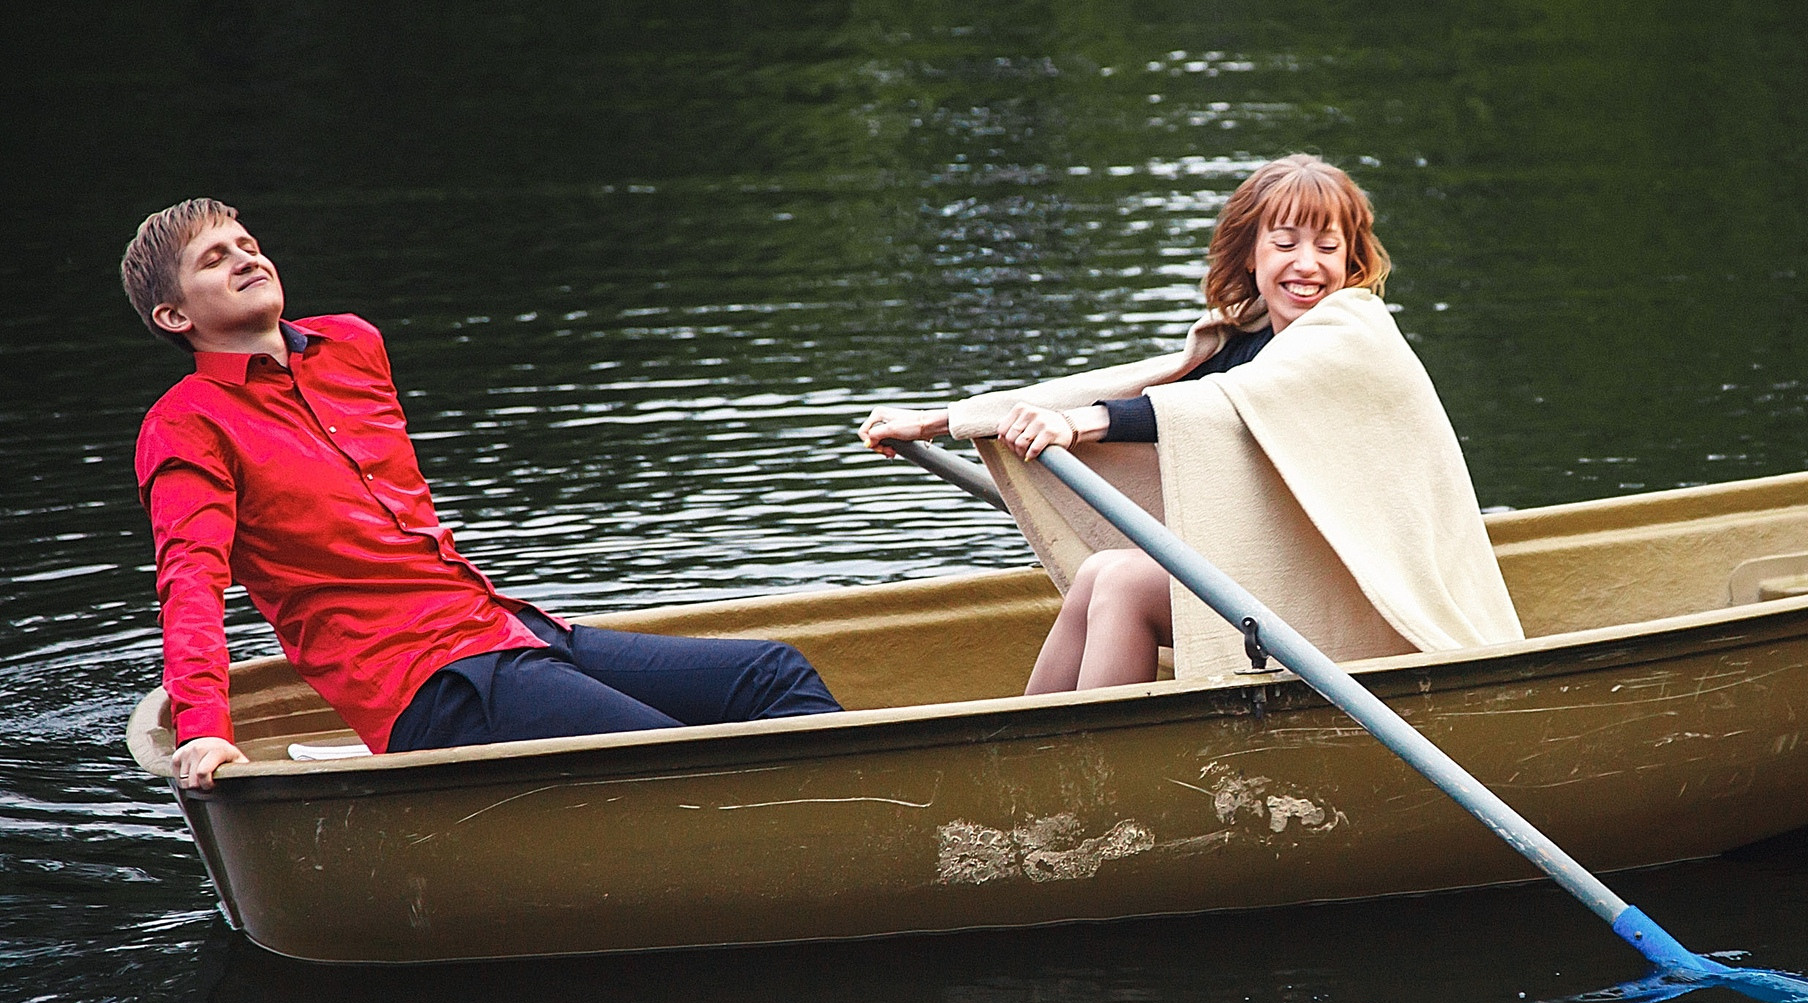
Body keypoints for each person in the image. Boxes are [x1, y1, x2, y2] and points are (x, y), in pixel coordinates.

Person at [125, 199, 842, 790]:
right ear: (174, 317)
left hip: (504, 627)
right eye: (214, 260)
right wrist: (205, 728)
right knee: (674, 755)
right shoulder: (186, 424)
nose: (246, 259)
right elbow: (190, 582)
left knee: (773, 673)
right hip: (426, 683)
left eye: (248, 245)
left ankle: (852, 833)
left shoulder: (351, 346)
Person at [862, 154, 1520, 692]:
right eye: (1285, 243)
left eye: (1328, 246)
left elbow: (1215, 407)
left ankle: (1097, 779)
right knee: (1099, 573)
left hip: (1371, 605)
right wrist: (938, 422)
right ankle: (1030, 765)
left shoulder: (1353, 333)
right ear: (1251, 255)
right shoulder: (1245, 339)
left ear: (1350, 260)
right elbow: (1131, 390)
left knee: (1123, 583)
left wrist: (1079, 427)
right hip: (1296, 585)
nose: (1307, 263)